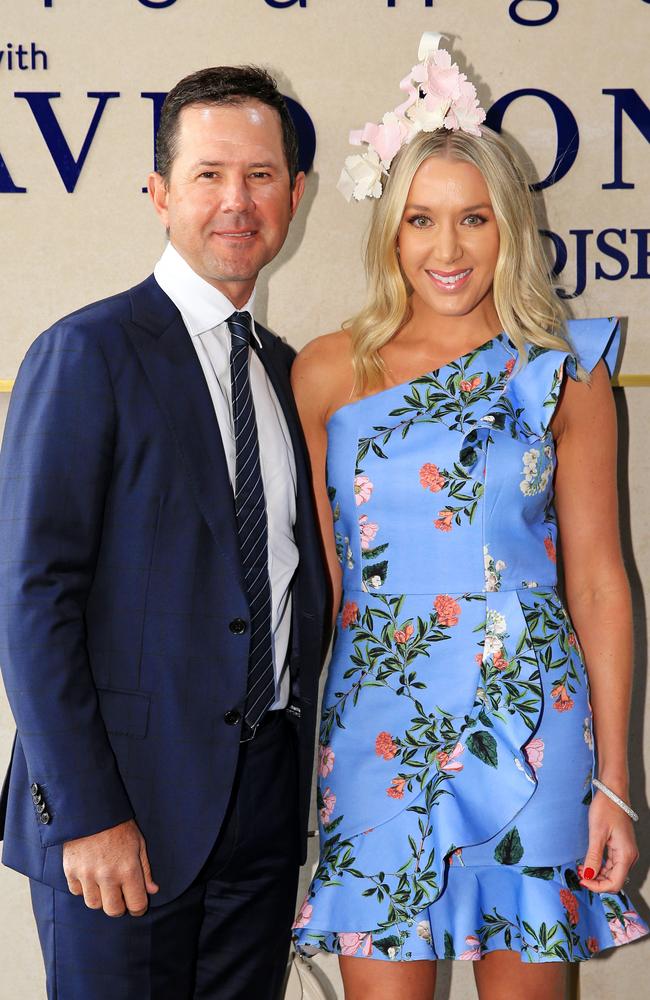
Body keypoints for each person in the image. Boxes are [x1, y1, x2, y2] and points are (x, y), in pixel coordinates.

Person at [292, 34, 647, 1000]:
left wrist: (617, 778)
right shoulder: (327, 374)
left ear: (511, 231)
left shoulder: (564, 369)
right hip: (377, 724)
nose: (447, 251)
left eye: (474, 221)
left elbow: (602, 580)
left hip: (531, 722)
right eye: (421, 222)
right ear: (390, 233)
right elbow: (314, 593)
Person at [0, 65, 326, 999]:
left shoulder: (284, 371)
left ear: (295, 195)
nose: (237, 201)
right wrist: (89, 812)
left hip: (262, 807)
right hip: (123, 815)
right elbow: (33, 599)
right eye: (210, 174)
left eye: (262, 175)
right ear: (160, 193)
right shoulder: (86, 352)